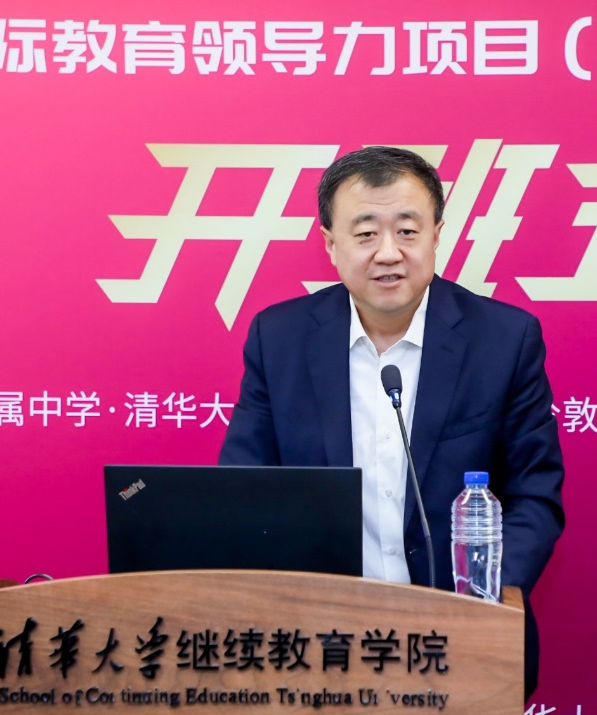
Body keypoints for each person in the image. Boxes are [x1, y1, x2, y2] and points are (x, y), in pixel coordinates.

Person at [219, 146, 564, 697]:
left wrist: (482, 602)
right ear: (330, 243)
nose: (388, 253)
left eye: (407, 231)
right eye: (365, 234)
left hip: (460, 639)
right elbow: (243, 492)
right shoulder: (278, 338)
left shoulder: (503, 340)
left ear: (436, 235)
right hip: (315, 646)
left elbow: (534, 495)